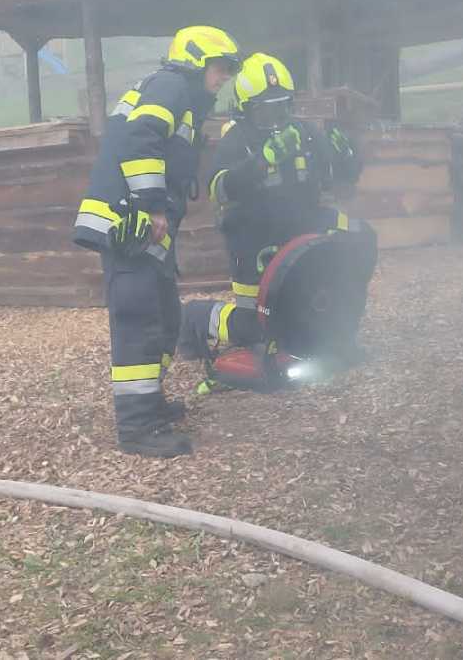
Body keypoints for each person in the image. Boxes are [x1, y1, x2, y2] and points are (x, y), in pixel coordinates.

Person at [70, 25, 242, 458]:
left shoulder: (180, 95)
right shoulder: (170, 85)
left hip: (144, 230)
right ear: (196, 60)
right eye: (221, 67)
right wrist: (152, 205)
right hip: (130, 226)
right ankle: (137, 429)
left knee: (165, 318)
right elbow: (140, 138)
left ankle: (150, 405)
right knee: (139, 321)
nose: (225, 77)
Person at [179, 52, 369, 364]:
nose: (277, 118)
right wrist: (262, 161)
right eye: (267, 111)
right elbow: (219, 189)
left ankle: (334, 330)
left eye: (282, 107)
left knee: (361, 235)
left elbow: (340, 178)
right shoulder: (237, 139)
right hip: (253, 237)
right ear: (246, 110)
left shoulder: (305, 133)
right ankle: (195, 318)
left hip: (304, 223)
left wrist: (348, 157)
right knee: (257, 327)